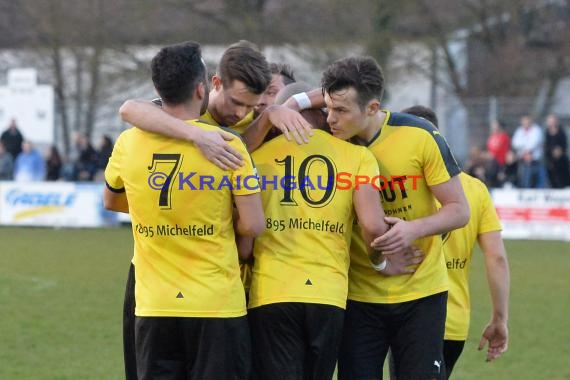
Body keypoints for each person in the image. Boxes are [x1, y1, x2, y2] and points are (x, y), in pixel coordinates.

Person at [288, 56, 469, 379]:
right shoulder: (330, 145)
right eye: (327, 107)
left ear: (372, 108)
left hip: (421, 293)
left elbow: (459, 210)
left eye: (341, 111)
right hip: (358, 296)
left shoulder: (419, 135)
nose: (330, 118)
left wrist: (412, 230)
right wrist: (299, 100)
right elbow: (295, 109)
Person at [103, 41, 264, 380]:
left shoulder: (128, 143)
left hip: (154, 302)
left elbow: (112, 201)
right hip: (216, 302)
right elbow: (252, 224)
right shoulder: (228, 145)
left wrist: (162, 213)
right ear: (202, 88)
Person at [245, 83, 421, 379]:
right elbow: (372, 224)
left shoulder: (256, 156)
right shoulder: (355, 156)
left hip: (273, 291)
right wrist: (381, 262)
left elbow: (247, 232)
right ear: (323, 112)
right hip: (328, 295)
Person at [402, 105, 510, 378]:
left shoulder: (399, 184)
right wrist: (500, 318)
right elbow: (496, 257)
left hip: (410, 313)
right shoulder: (474, 189)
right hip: (454, 322)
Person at [119, 40, 273, 170]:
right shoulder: (189, 109)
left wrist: (278, 110)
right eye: (235, 102)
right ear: (217, 83)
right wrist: (197, 135)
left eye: (250, 106)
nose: (241, 113)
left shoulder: (261, 119)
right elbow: (129, 109)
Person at [512, 115, 547, 188]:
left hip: (535, 159)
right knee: (525, 179)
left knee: (539, 180)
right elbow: (515, 143)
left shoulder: (537, 130)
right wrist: (525, 151)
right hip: (523, 159)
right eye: (524, 123)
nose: (525, 124)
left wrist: (525, 149)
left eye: (527, 122)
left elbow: (534, 143)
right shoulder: (519, 131)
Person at [544, 114, 570, 188]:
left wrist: (559, 151)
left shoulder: (561, 132)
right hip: (550, 157)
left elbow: (564, 144)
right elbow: (546, 145)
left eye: (552, 121)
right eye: (550, 121)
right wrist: (552, 152)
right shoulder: (546, 132)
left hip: (561, 157)